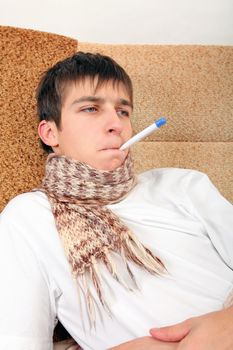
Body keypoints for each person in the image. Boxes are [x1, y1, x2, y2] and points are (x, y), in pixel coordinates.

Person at [0, 52, 232, 350]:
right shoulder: (28, 218)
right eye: (91, 108)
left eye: (123, 111)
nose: (116, 124)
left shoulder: (183, 184)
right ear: (50, 132)